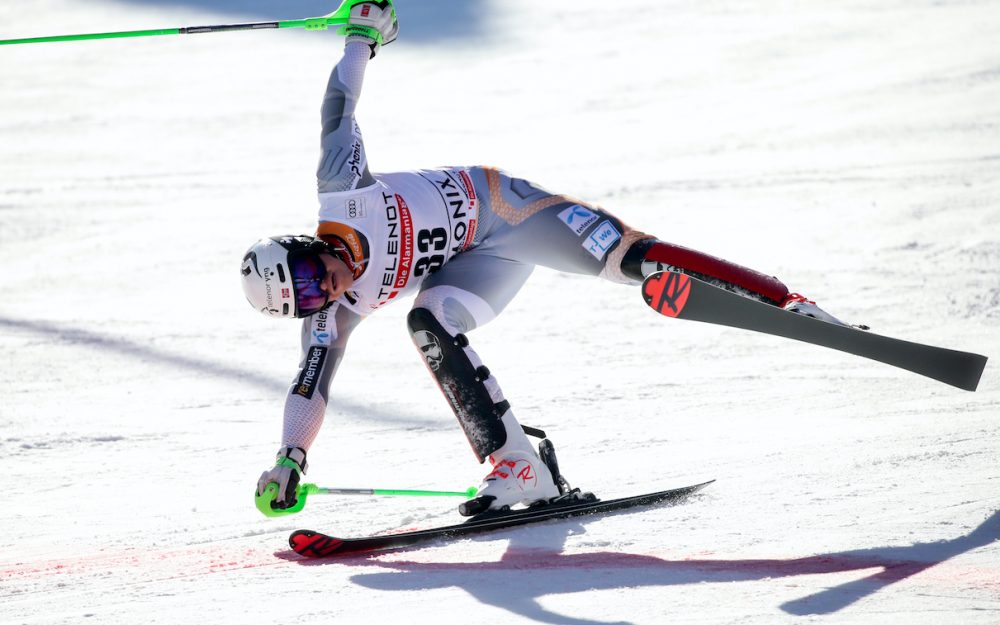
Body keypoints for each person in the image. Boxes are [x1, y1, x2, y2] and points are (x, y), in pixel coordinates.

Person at [242, 1, 846, 516]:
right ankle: (519, 469)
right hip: (478, 270)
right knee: (428, 321)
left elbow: (338, 110)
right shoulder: (330, 312)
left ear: (304, 245)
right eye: (310, 299)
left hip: (504, 213)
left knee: (627, 258)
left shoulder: (343, 196)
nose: (325, 288)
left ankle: (790, 303)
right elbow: (309, 386)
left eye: (308, 273)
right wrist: (289, 461)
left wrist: (361, 37)